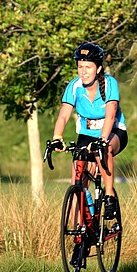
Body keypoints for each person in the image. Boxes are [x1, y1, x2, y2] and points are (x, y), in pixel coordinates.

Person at [50, 42, 128, 223]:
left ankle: (109, 196)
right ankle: (82, 233)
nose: (83, 71)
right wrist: (57, 137)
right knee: (77, 182)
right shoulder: (74, 86)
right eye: (80, 67)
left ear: (98, 68)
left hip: (113, 132)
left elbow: (110, 116)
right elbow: (63, 116)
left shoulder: (110, 84)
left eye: (88, 67)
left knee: (104, 149)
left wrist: (102, 140)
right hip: (86, 135)